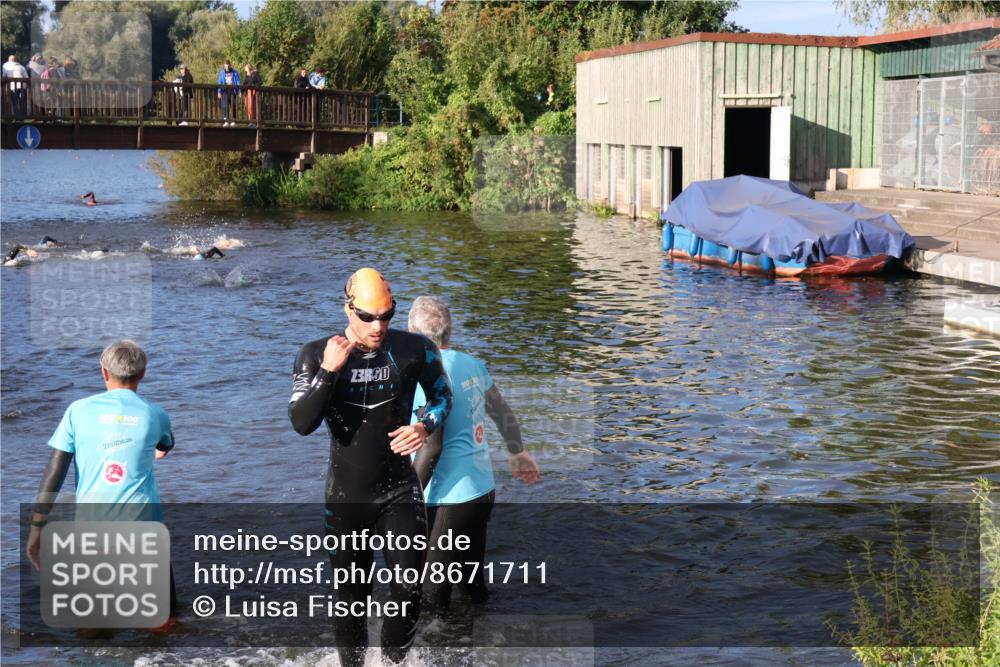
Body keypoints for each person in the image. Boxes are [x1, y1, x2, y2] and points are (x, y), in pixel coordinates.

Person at [289, 268, 451, 667]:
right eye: (367, 317)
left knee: (408, 584)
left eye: (387, 315)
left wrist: (423, 425)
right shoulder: (315, 354)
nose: (378, 326)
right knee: (351, 597)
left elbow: (443, 396)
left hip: (399, 489)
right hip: (347, 498)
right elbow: (301, 422)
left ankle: (394, 664)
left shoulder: (415, 348)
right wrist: (329, 371)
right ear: (348, 308)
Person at [408, 296, 540, 610]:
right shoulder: (473, 365)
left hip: (449, 498)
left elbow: (432, 446)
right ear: (448, 333)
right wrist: (517, 451)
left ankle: (437, 656)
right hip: (482, 492)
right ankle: (485, 645)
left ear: (413, 335)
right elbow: (502, 410)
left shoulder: (426, 375)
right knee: (473, 588)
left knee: (431, 595)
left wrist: (406, 498)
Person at [25, 341, 175, 566]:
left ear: (103, 372)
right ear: (143, 373)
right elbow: (166, 444)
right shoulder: (155, 414)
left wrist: (37, 526)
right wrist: (157, 450)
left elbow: (55, 472)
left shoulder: (77, 410)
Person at [216, 60, 241, 126]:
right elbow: (220, 82)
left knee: (233, 105)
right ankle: (226, 120)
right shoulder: (222, 72)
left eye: (228, 64)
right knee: (225, 105)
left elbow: (238, 81)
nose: (227, 66)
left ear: (230, 65)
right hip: (224, 91)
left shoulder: (235, 72)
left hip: (233, 90)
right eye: (226, 64)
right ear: (224, 65)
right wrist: (219, 92)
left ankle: (233, 119)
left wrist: (239, 91)